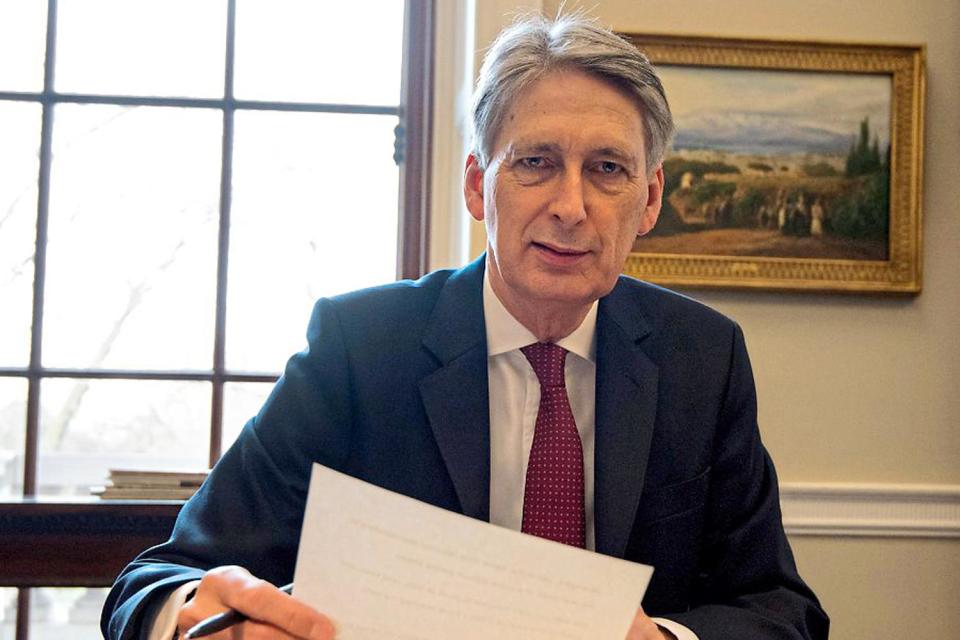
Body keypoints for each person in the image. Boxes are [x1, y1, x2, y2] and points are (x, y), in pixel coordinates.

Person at [102, 14, 827, 640]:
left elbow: (782, 609)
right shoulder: (360, 348)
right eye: (536, 163)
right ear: (480, 184)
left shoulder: (703, 357)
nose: (571, 207)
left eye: (607, 168)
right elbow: (157, 579)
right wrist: (195, 617)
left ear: (649, 198)